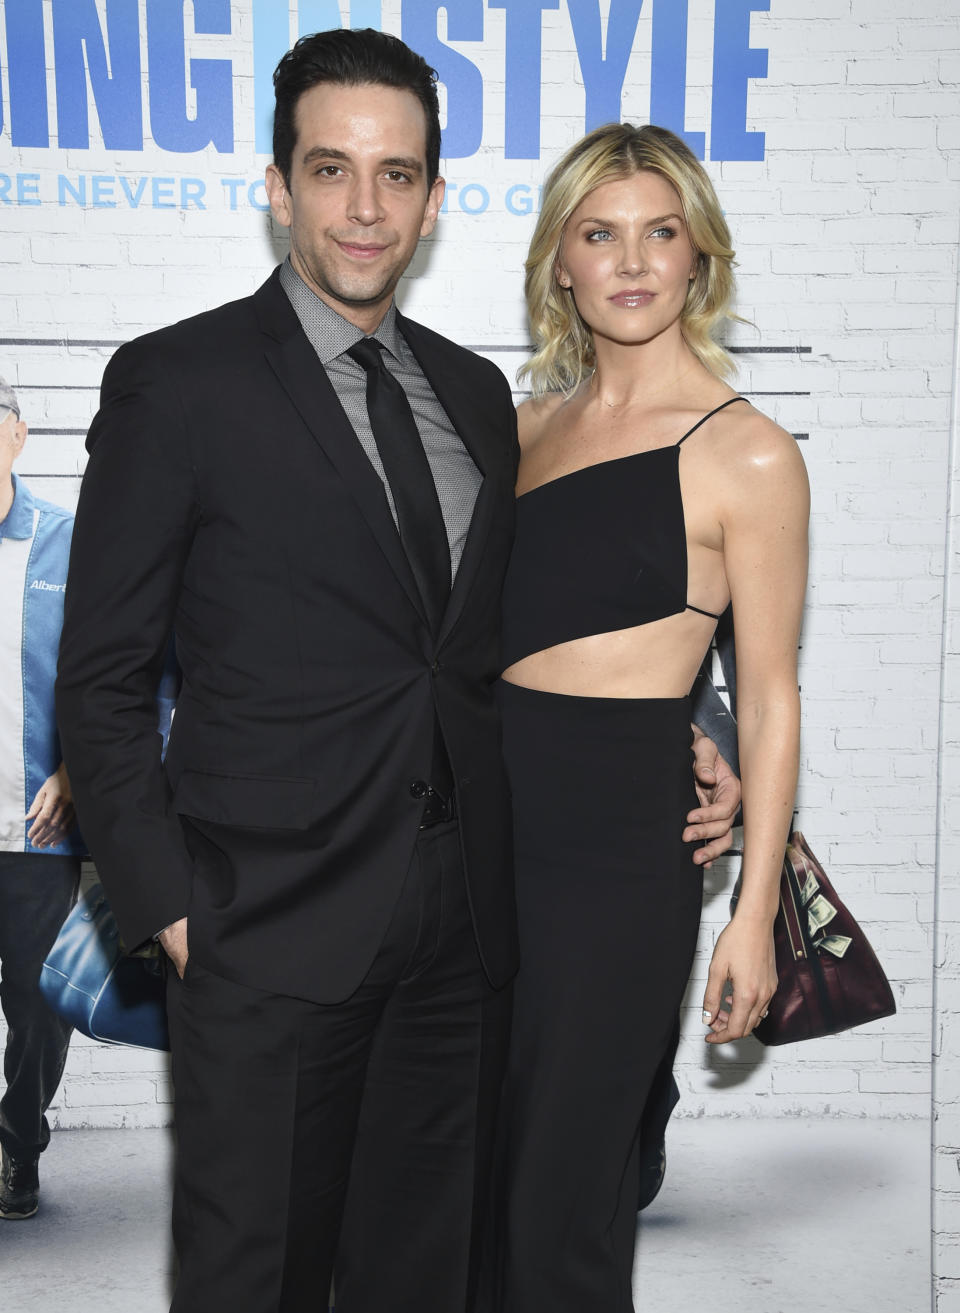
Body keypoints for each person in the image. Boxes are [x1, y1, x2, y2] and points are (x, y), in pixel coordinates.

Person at [55, 31, 738, 1311]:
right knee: (253, 1279)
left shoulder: (477, 396)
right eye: (331, 169)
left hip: (462, 935)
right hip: (261, 928)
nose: (365, 207)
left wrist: (683, 733)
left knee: (422, 1277)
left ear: (432, 201)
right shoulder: (178, 382)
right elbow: (99, 673)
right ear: (278, 185)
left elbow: (529, 629)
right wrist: (174, 909)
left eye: (397, 175)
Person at [482, 122, 809, 1312]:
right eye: (600, 233)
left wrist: (755, 915)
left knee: (563, 1203)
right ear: (559, 260)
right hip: (472, 834)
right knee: (466, 1185)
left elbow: (771, 691)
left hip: (618, 851)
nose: (632, 260)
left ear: (698, 258)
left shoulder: (749, 455)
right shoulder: (514, 432)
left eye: (660, 232)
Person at [0, 376, 84, 1221]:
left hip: (34, 826)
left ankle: (17, 1147)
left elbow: (118, 677)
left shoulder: (67, 543)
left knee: (36, 1003)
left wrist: (75, 771)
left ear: (18, 434)